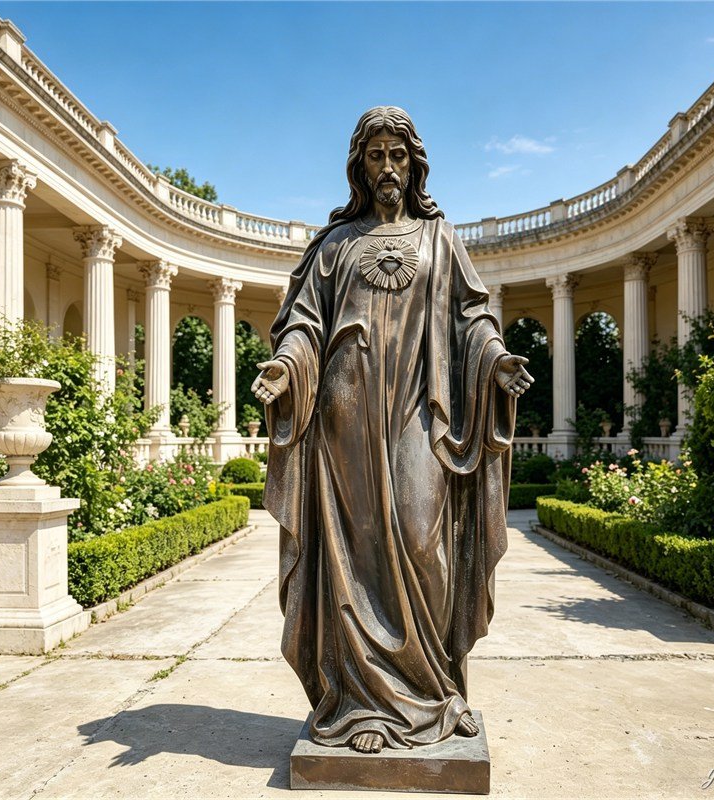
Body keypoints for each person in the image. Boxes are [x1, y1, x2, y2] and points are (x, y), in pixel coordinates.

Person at [253, 106, 532, 754]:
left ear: (415, 163)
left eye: (397, 156)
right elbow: (305, 325)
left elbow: (472, 317)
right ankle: (360, 708)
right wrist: (287, 366)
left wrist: (494, 360)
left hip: (420, 415)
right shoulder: (334, 245)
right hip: (347, 418)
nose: (387, 167)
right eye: (376, 155)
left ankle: (434, 693)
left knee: (420, 537)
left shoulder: (440, 239)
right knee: (356, 554)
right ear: (360, 165)